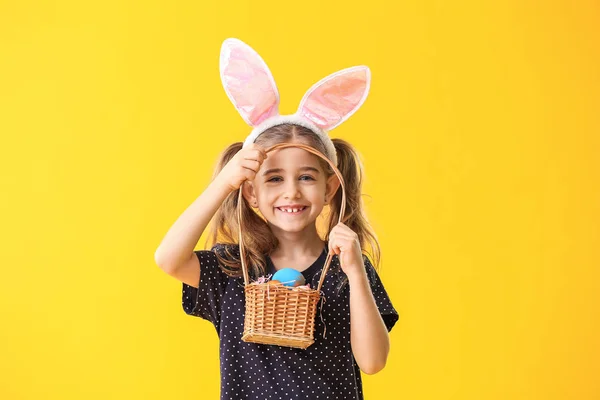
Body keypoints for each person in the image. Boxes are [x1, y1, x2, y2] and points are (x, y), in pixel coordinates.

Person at [154, 38, 399, 400]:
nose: (291, 193)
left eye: (306, 177)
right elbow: (168, 259)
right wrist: (224, 183)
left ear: (330, 187)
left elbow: (373, 361)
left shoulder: (347, 269)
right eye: (273, 179)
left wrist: (356, 273)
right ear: (250, 192)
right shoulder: (233, 268)